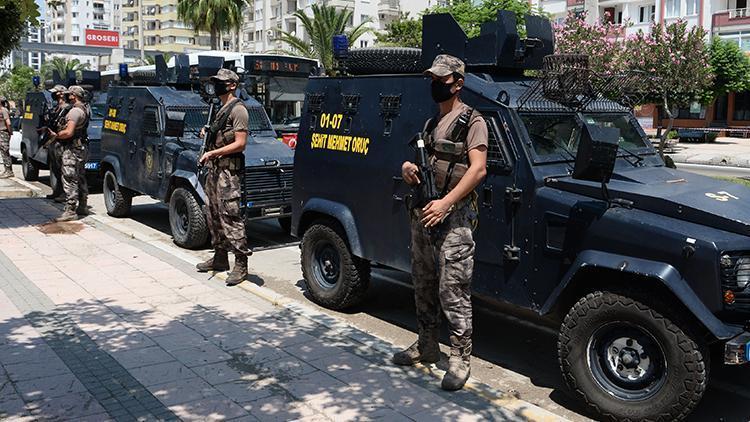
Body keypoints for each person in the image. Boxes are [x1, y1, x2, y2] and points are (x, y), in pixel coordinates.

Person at [394, 54, 488, 391]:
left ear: (458, 83)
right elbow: (428, 163)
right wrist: (409, 170)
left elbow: (478, 169)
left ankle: (460, 359)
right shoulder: (432, 123)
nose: (436, 84)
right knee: (423, 282)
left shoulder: (473, 121)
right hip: (424, 214)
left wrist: (447, 203)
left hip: (454, 218)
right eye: (433, 79)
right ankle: (427, 345)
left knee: (454, 290)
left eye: (442, 80)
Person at [195, 68, 252, 286]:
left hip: (229, 173)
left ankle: (240, 263)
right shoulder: (219, 109)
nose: (216, 85)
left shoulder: (238, 110)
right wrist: (207, 133)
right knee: (213, 214)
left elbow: (240, 143)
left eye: (221, 82)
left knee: (230, 216)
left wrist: (212, 152)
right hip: (215, 170)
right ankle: (220, 258)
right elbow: (220, 134)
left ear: (232, 85)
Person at [47, 85, 90, 222]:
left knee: (69, 178)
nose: (65, 96)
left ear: (73, 96)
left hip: (72, 149)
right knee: (81, 176)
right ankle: (82, 206)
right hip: (81, 148)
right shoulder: (85, 108)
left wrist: (56, 135)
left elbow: (68, 132)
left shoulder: (74, 112)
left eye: (68, 94)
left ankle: (70, 210)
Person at [45, 85, 71, 201]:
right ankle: (57, 191)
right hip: (53, 141)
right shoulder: (57, 107)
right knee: (55, 168)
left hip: (62, 141)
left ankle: (65, 194)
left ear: (61, 93)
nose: (53, 95)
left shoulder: (66, 108)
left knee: (63, 169)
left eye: (55, 93)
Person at [0, 96, 13, 179]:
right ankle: (6, 170)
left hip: (4, 132)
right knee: (3, 152)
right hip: (1, 132)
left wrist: (10, 132)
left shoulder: (4, 110)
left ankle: (9, 171)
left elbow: (8, 123)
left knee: (5, 151)